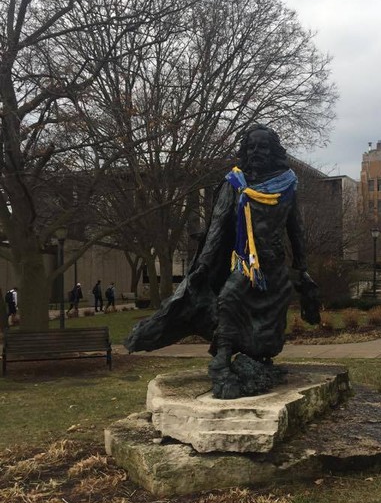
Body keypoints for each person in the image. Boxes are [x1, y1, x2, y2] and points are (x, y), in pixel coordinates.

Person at [125, 124, 320, 399]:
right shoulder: (235, 183)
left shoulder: (287, 184)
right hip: (246, 264)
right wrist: (203, 266)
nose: (256, 152)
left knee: (273, 317)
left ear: (273, 150)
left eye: (262, 146)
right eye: (251, 147)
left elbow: (295, 228)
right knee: (229, 298)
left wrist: (303, 268)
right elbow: (217, 226)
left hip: (275, 266)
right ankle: (222, 359)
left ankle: (259, 359)